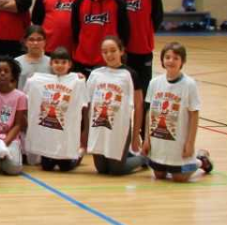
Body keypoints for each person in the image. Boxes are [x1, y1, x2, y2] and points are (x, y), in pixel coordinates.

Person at [141, 43, 213, 182]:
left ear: (182, 61)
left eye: (175, 58)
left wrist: (190, 143)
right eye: (167, 57)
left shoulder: (189, 84)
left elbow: (194, 114)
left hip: (178, 141)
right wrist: (146, 139)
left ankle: (200, 160)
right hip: (159, 139)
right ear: (162, 60)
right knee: (159, 175)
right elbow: (149, 112)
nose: (171, 61)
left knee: (179, 178)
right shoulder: (154, 83)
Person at [83, 36, 145, 176]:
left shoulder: (130, 74)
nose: (109, 55)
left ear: (121, 51)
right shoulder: (96, 73)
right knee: (102, 169)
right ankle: (126, 154)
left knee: (116, 170)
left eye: (113, 50)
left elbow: (139, 106)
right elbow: (87, 103)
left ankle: (143, 159)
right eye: (105, 51)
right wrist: (86, 131)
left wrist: (136, 136)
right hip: (99, 126)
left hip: (120, 128)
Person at [111, 0, 163, 95]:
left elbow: (157, 17)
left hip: (142, 51)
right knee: (118, 95)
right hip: (117, 52)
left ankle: (141, 119)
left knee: (143, 95)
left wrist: (144, 34)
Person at [24, 47, 86, 172]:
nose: (60, 65)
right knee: (46, 167)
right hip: (48, 135)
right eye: (57, 62)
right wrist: (32, 80)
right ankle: (53, 157)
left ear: (70, 65)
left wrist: (80, 79)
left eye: (64, 62)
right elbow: (27, 96)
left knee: (65, 168)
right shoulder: (38, 80)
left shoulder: (76, 81)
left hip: (65, 135)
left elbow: (84, 104)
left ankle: (78, 156)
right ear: (51, 64)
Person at [71, 0, 130, 74]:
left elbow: (125, 31)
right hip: (83, 61)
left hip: (109, 61)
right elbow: (75, 32)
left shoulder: (118, 1)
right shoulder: (79, 2)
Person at [14, 25, 51, 92]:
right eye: (31, 39)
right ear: (25, 42)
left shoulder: (51, 62)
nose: (35, 43)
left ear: (45, 42)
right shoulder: (17, 62)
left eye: (39, 39)